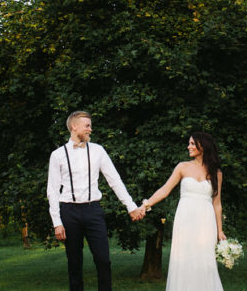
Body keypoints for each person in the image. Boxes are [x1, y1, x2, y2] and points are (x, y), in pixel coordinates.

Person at [47, 111, 146, 291]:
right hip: (69, 212)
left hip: (93, 211)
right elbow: (52, 190)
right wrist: (57, 222)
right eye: (87, 126)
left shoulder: (98, 150)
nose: (90, 129)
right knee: (74, 264)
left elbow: (114, 180)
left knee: (103, 260)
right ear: (74, 126)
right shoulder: (58, 155)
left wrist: (131, 206)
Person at [141, 132, 226, 291]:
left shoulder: (217, 173)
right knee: (185, 259)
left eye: (193, 144)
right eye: (189, 143)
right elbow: (165, 190)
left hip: (206, 222)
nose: (189, 147)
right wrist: (146, 205)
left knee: (204, 261)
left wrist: (219, 230)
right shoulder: (183, 167)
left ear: (203, 145)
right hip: (185, 219)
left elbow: (217, 203)